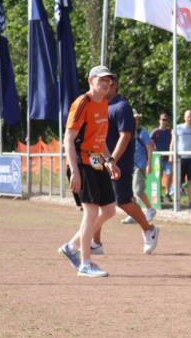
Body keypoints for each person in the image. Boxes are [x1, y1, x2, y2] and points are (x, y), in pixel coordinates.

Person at [58, 65, 122, 278]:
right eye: (102, 79)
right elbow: (68, 138)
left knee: (110, 210)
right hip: (81, 162)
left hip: (96, 162)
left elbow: (100, 139)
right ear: (91, 80)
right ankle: (85, 263)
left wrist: (110, 160)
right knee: (91, 211)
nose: (106, 84)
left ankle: (72, 246)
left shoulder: (104, 103)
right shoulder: (82, 103)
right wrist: (74, 170)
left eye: (109, 81)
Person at [92, 78, 159, 255]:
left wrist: (112, 160)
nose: (103, 86)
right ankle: (96, 243)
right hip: (101, 160)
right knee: (97, 201)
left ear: (114, 86)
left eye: (107, 83)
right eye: (100, 82)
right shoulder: (100, 105)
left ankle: (149, 229)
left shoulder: (121, 106)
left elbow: (125, 136)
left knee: (124, 201)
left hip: (119, 163)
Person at [122, 110, 156, 223]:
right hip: (130, 165)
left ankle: (150, 210)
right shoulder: (126, 132)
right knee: (130, 192)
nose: (135, 121)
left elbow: (150, 148)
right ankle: (134, 214)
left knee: (138, 191)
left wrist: (149, 164)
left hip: (140, 165)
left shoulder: (143, 132)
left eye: (136, 118)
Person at [171, 109, 191, 207]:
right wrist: (171, 155)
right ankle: (177, 202)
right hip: (180, 158)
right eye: (188, 116)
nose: (189, 118)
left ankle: (190, 202)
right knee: (178, 180)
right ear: (184, 117)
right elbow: (172, 143)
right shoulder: (178, 128)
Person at [150, 112, 173, 204]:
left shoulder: (170, 131)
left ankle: (167, 193)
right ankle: (159, 195)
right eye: (163, 119)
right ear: (159, 120)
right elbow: (150, 143)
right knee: (158, 177)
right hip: (158, 159)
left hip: (168, 159)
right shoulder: (155, 131)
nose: (164, 121)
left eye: (166, 120)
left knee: (169, 174)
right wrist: (154, 152)